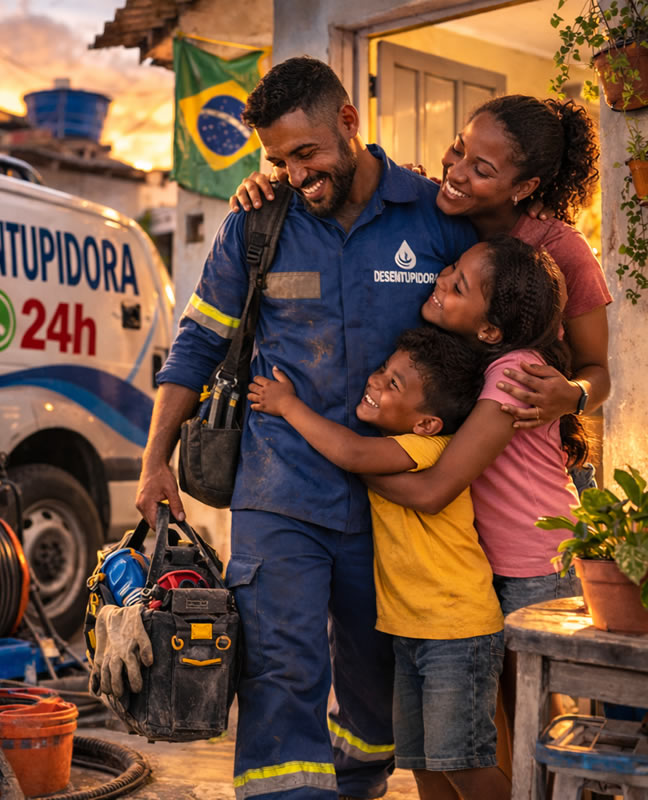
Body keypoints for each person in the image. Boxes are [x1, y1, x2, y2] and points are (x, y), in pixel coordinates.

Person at [136, 56, 477, 800]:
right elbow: (196, 344)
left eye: (307, 154)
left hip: (392, 499)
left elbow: (486, 331)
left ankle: (360, 781)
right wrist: (154, 458)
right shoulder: (256, 225)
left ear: (349, 122)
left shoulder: (432, 216)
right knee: (280, 665)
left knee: (374, 672)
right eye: (279, 161)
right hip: (279, 486)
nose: (295, 175)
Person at [231, 94, 611, 440]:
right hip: (440, 445)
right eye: (458, 148)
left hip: (527, 454)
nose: (456, 172)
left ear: (525, 188)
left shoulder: (559, 250)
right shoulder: (421, 209)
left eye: (481, 170)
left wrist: (574, 396)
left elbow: (598, 372)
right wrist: (277, 185)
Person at [247, 325, 510, 800]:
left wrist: (287, 405)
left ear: (427, 423)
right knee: (424, 765)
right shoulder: (398, 448)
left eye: (394, 384)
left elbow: (349, 453)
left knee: (463, 763)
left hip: (456, 631)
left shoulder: (427, 449)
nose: (375, 380)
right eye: (384, 369)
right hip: (412, 630)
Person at [366, 235, 589, 740]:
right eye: (450, 268)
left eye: (459, 286)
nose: (441, 279)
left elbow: (433, 492)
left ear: (490, 329)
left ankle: (555, 783)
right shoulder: (481, 361)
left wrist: (347, 463)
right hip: (504, 561)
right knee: (508, 712)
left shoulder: (514, 374)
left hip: (538, 562)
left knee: (533, 713)